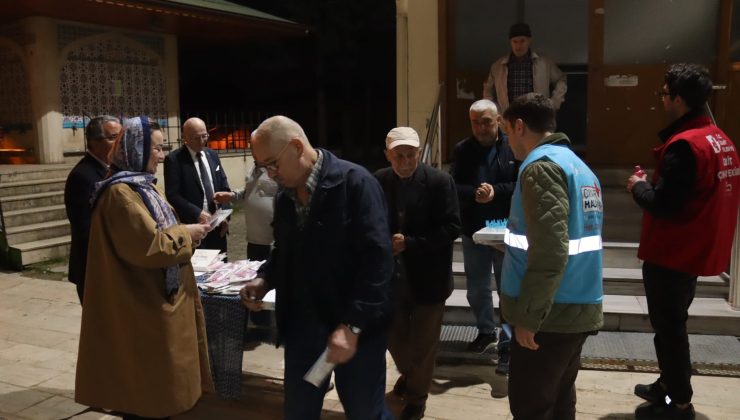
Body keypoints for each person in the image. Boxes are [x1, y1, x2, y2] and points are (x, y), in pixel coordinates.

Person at [239, 116, 394, 420]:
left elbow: (378, 262)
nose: (270, 175)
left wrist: (352, 326)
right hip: (304, 327)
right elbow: (286, 251)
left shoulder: (356, 184)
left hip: (355, 330)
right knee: (299, 411)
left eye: (272, 164)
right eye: (263, 168)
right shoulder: (285, 196)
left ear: (296, 146)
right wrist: (264, 280)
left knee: (365, 412)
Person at [75, 117, 214, 419]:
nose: (163, 156)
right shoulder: (121, 193)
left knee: (156, 391)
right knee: (146, 394)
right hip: (141, 305)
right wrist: (186, 234)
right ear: (137, 148)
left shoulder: (141, 186)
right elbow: (151, 247)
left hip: (154, 298)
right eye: (158, 148)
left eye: (164, 148)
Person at [626, 63, 740, 420]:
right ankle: (667, 383)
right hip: (695, 247)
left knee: (670, 328)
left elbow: (663, 204)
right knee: (671, 323)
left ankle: (682, 401)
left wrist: (637, 186)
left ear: (678, 99)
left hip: (673, 252)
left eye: (663, 94)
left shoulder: (685, 146)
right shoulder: (719, 137)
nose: (661, 100)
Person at [500, 93, 604, 420]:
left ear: (519, 126)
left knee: (531, 406)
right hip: (575, 305)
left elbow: (551, 251)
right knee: (560, 403)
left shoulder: (541, 168)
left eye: (506, 133)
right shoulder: (578, 166)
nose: (507, 143)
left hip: (549, 315)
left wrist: (529, 317)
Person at [374, 127, 461, 420]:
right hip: (391, 280)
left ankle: (417, 399)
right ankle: (413, 376)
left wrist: (409, 244)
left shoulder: (439, 182)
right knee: (395, 340)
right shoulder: (379, 180)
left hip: (428, 279)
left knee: (423, 346)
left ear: (419, 153)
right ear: (387, 155)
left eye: (411, 154)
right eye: (398, 155)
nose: (405, 161)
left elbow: (451, 228)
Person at [449, 99, 519, 371]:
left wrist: (496, 191)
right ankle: (486, 331)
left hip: (506, 230)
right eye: (475, 122)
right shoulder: (463, 149)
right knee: (477, 288)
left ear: (499, 120)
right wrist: (476, 193)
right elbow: (454, 185)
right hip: (474, 230)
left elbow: (520, 183)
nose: (480, 127)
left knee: (507, 289)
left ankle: (508, 343)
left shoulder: (512, 145)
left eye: (486, 121)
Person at [64, 115, 121, 304]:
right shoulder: (82, 176)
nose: (119, 142)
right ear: (94, 142)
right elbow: (86, 230)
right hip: (95, 269)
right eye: (114, 137)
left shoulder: (115, 170)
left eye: (121, 136)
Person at [164, 117, 231, 253]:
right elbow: (173, 195)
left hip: (218, 227)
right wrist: (197, 213)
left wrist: (225, 216)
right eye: (196, 138)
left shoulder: (212, 154)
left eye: (204, 136)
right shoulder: (174, 160)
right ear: (185, 138)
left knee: (220, 268)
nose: (202, 141)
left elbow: (224, 186)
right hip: (194, 227)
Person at [483, 22, 567, 113]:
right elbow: (488, 91)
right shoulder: (498, 67)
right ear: (510, 42)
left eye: (522, 41)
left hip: (537, 117)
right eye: (515, 41)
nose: (518, 46)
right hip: (508, 118)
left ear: (529, 41)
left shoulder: (544, 63)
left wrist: (554, 103)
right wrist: (495, 112)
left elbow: (561, 79)